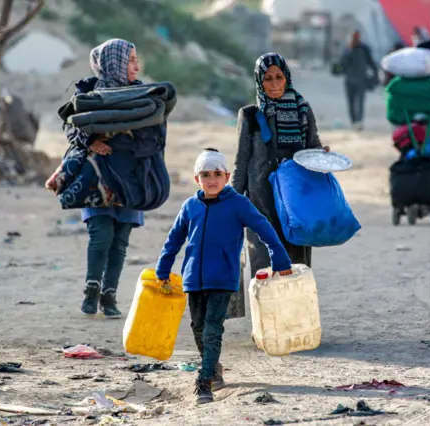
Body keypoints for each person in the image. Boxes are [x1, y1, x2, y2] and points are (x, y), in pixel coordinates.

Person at [155, 148, 292, 404]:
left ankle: (204, 382)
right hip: (193, 279)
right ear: (197, 179)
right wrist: (163, 270)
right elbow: (173, 240)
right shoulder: (190, 206)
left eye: (217, 173)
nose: (211, 179)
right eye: (205, 174)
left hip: (223, 277)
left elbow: (265, 229)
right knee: (198, 327)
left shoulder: (238, 203)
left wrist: (280, 257)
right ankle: (214, 367)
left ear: (227, 176)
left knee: (212, 330)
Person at [231, 52, 329, 307]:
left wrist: (322, 156)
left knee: (296, 266)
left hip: (296, 202)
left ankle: (295, 320)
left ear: (287, 78)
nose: (274, 84)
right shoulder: (250, 116)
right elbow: (241, 162)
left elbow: (313, 149)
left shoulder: (302, 110)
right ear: (259, 82)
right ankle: (266, 322)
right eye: (268, 79)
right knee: (263, 264)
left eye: (279, 77)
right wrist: (229, 200)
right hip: (261, 201)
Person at [62, 39, 151, 319]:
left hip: (130, 178)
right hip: (97, 178)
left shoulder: (143, 94)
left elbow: (154, 135)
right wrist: (90, 142)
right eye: (131, 60)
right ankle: (91, 288)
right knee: (100, 236)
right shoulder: (88, 93)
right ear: (114, 62)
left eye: (137, 60)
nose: (137, 66)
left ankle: (109, 295)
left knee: (120, 239)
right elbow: (71, 129)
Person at [338, 31, 379, 130]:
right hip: (349, 80)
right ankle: (354, 121)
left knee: (360, 102)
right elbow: (341, 64)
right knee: (351, 102)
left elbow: (371, 62)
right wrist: (337, 70)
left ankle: (359, 122)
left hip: (361, 80)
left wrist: (375, 75)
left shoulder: (364, 49)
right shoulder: (347, 49)